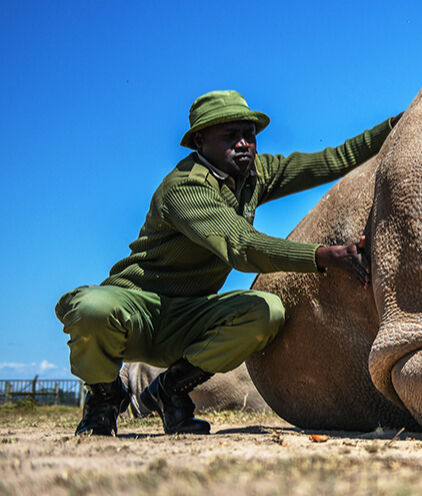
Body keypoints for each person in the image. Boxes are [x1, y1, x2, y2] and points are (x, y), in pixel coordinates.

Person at [55, 90, 400, 437]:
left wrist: (394, 125)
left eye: (248, 135)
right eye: (229, 136)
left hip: (189, 315)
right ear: (200, 141)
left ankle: (170, 391)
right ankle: (104, 398)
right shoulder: (185, 188)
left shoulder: (255, 176)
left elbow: (331, 160)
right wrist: (323, 255)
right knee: (92, 308)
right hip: (138, 310)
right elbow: (242, 246)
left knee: (265, 311)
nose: (243, 144)